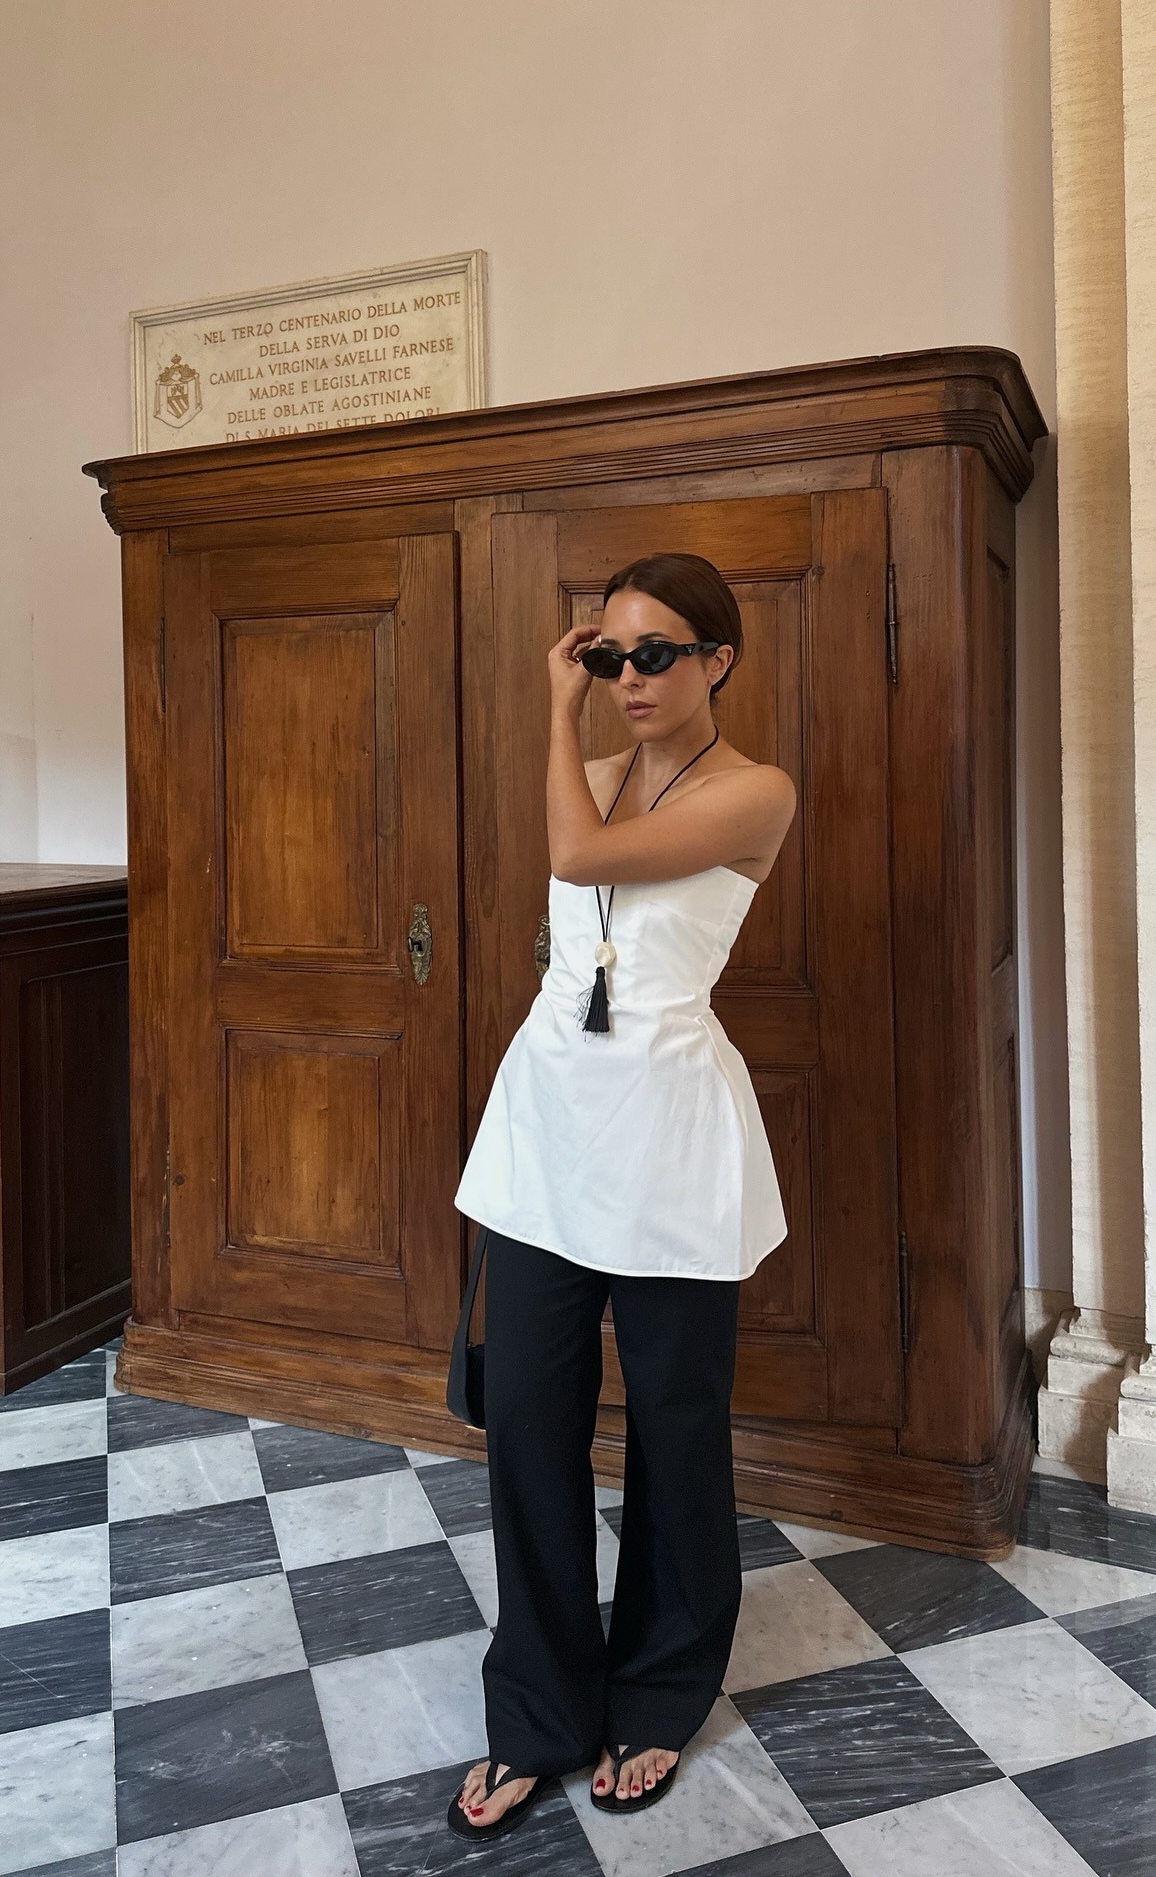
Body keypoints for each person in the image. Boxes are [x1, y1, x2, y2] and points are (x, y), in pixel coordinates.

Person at [445, 552, 796, 1841]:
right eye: (610, 659)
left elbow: (577, 850)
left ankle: (659, 1689)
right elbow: (572, 867)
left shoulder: (756, 791)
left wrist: (553, 708)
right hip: (549, 1123)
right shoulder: (597, 773)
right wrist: (574, 728)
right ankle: (536, 1705)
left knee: (675, 1420)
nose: (631, 680)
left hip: (669, 1126)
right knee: (528, 1416)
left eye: (658, 656)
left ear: (718, 660)